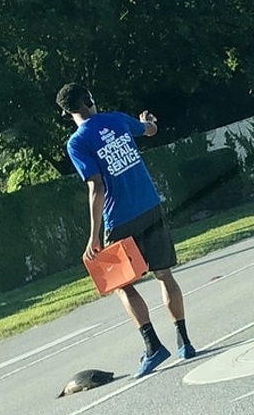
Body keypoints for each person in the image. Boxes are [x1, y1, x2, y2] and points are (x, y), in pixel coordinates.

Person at [56, 82, 195, 379]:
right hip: (149, 204)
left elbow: (96, 185)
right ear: (90, 99)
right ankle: (184, 340)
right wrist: (149, 122)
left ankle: (152, 345)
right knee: (163, 273)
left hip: (119, 219)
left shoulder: (77, 142)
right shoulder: (118, 119)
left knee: (122, 284)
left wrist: (93, 236)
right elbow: (149, 130)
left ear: (68, 113)